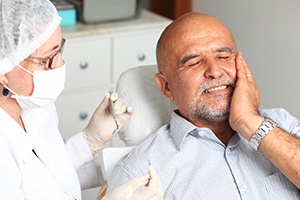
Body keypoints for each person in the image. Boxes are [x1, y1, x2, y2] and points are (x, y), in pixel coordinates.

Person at [107, 12, 300, 199]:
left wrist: (250, 123)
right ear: (167, 87)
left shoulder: (284, 125)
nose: (215, 71)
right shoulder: (140, 170)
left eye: (224, 57)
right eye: (194, 63)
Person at [0, 0, 163, 199]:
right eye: (46, 59)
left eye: (59, 49)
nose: (59, 64)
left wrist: (90, 139)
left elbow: (49, 176)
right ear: (3, 69)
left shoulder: (33, 105)